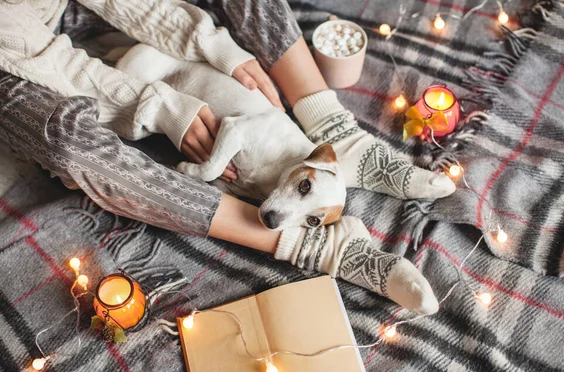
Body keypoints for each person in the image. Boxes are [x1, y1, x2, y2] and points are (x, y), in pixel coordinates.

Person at [0, 0, 454, 314]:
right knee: (67, 142)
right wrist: (160, 105)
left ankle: (334, 129)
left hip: (116, 23)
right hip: (22, 60)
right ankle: (310, 245)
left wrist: (214, 47)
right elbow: (47, 59)